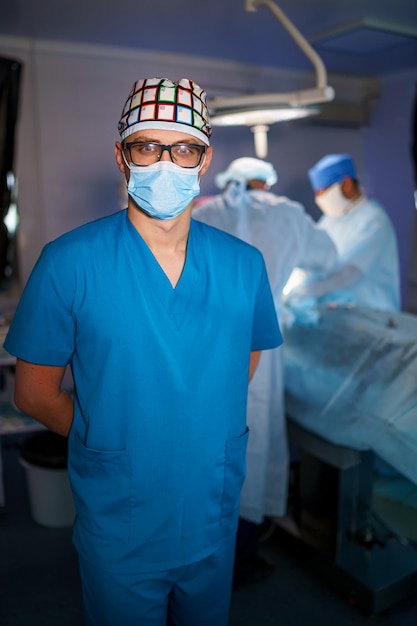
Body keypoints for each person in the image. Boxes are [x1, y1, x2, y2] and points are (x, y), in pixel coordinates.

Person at [3, 78, 282, 626]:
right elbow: (35, 396)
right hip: (121, 516)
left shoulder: (244, 264)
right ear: (121, 155)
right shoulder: (69, 262)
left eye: (183, 149)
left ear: (205, 160)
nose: (165, 164)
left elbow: (240, 367)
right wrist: (111, 434)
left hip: (210, 504)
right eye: (147, 146)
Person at [193, 156, 338, 585]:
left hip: (205, 343)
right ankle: (242, 555)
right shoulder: (289, 214)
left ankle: (202, 555)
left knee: (206, 445)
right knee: (251, 449)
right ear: (266, 181)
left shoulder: (206, 212)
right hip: (261, 342)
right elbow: (327, 257)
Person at [287, 153, 400, 311]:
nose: (319, 198)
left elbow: (349, 273)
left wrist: (306, 291)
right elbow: (314, 259)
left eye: (323, 191)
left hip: (373, 317)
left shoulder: (373, 221)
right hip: (338, 313)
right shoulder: (330, 220)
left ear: (346, 184)